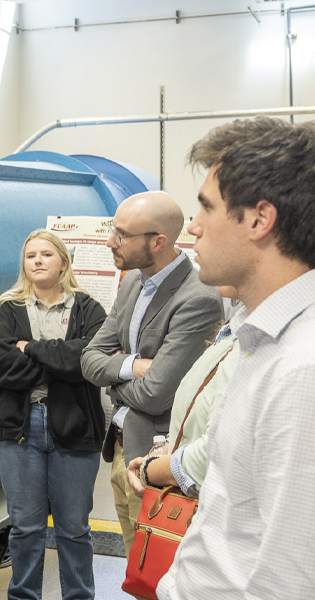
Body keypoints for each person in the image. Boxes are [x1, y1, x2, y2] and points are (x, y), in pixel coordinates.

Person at [156, 118, 315, 599]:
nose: (193, 225)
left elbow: (288, 580)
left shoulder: (301, 368)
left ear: (259, 219)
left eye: (207, 207)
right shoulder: (264, 339)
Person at [80, 191, 223, 556]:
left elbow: (156, 393)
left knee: (157, 573)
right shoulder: (132, 282)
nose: (111, 242)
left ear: (158, 242)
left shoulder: (197, 298)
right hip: (120, 446)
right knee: (135, 570)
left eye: (122, 235)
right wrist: (132, 367)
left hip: (154, 460)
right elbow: (89, 358)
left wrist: (114, 383)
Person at [0, 230, 107, 600]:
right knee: (26, 527)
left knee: (73, 527)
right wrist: (60, 362)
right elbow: (1, 368)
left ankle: (79, 596)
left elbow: (89, 361)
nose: (37, 261)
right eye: (30, 255)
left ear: (63, 263)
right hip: (20, 429)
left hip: (76, 425)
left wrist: (32, 349)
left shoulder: (89, 309)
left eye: (46, 254)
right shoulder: (6, 309)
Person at [126, 287, 241, 498]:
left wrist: (151, 471)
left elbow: (215, 456)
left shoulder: (256, 340)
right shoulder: (237, 329)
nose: (198, 251)